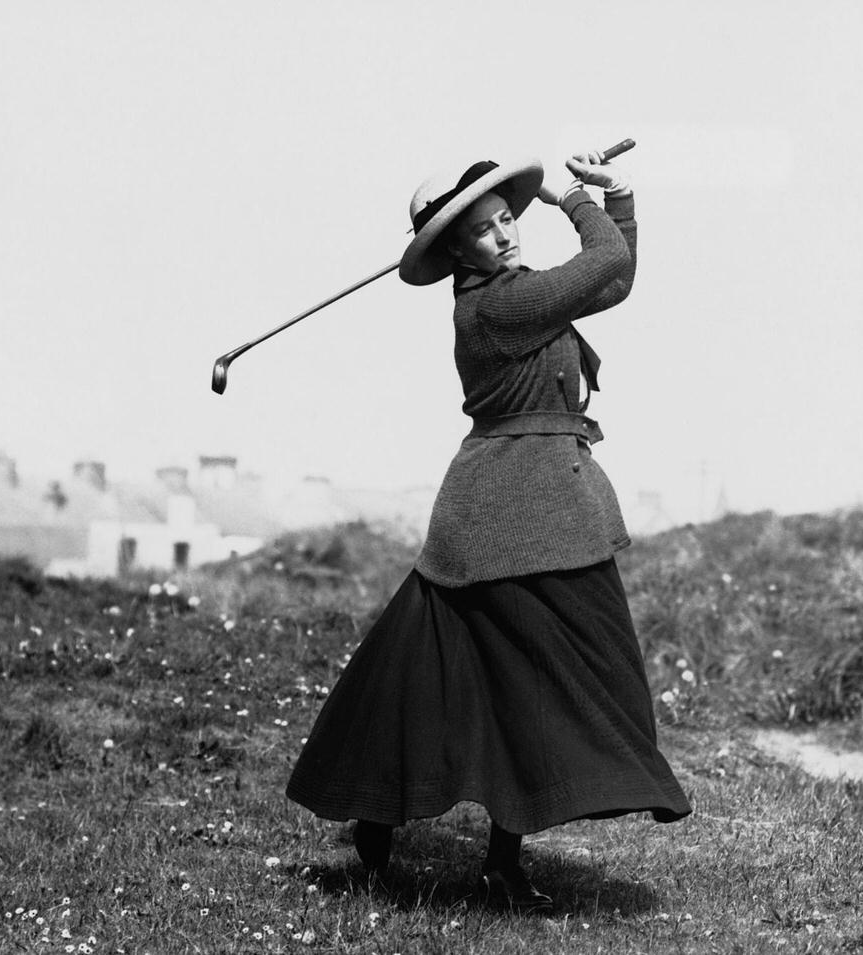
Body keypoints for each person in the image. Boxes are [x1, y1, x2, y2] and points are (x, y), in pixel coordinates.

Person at [285, 146, 691, 913]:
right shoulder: (499, 309)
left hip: (536, 512)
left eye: (508, 220)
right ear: (454, 252)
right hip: (511, 518)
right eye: (483, 231)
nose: (505, 236)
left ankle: (460, 845)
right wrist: (576, 199)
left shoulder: (521, 293)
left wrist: (622, 195)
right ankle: (441, 838)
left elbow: (615, 274)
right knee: (510, 688)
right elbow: (602, 257)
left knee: (482, 688)